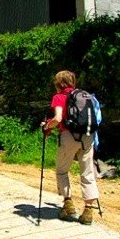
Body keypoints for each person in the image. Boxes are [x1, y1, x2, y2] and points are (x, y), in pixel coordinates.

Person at [41, 70, 100, 224]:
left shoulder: (59, 97)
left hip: (68, 136)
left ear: (59, 83)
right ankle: (88, 211)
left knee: (61, 171)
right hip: (88, 136)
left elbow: (58, 118)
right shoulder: (84, 95)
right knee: (87, 172)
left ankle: (68, 205)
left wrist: (47, 125)